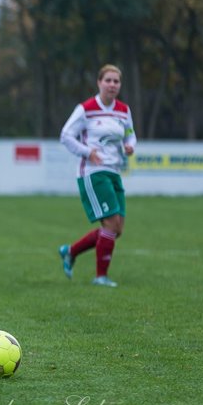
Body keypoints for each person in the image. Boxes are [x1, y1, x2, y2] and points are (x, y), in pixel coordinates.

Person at [57, 64, 137, 287]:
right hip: (93, 172)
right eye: (108, 80)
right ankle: (100, 276)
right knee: (111, 225)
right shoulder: (86, 109)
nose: (112, 85)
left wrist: (130, 145)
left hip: (114, 171)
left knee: (117, 228)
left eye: (116, 81)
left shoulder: (123, 110)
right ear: (99, 82)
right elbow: (65, 135)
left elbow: (130, 134)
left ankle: (70, 251)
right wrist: (87, 152)